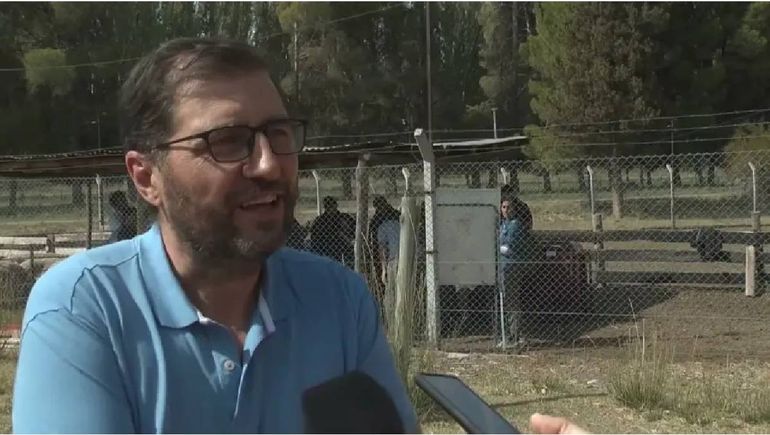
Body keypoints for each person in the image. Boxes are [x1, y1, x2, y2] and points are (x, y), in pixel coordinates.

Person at [12, 38, 417, 433]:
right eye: (227, 142)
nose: (269, 165)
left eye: (278, 134)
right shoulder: (85, 307)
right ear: (146, 176)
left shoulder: (338, 300)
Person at [497, 195, 528, 348]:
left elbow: (508, 247)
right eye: (503, 207)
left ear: (514, 209)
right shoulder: (503, 225)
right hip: (502, 268)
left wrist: (499, 248)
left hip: (511, 268)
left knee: (512, 302)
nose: (506, 210)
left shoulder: (516, 226)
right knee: (504, 301)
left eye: (509, 207)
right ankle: (506, 335)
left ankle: (516, 336)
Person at [308, 196, 355, 266]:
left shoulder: (344, 217)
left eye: (332, 206)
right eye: (329, 206)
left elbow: (353, 230)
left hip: (342, 249)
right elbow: (314, 237)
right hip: (326, 249)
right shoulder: (320, 220)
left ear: (336, 205)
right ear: (326, 208)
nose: (331, 209)